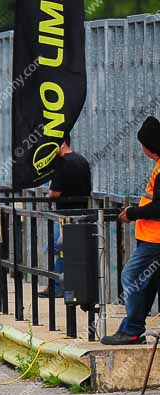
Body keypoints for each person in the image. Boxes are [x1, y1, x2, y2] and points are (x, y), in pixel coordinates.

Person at [102, 116, 160, 345]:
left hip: (154, 240)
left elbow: (158, 207)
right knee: (146, 282)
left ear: (149, 146)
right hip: (150, 238)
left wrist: (132, 213)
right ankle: (132, 328)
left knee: (132, 276)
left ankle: (133, 329)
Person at [40, 132, 92, 298]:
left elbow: (54, 193)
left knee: (54, 247)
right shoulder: (82, 161)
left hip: (64, 215)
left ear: (61, 144)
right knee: (68, 249)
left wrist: (48, 196)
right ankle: (65, 288)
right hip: (82, 213)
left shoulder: (61, 164)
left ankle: (60, 286)